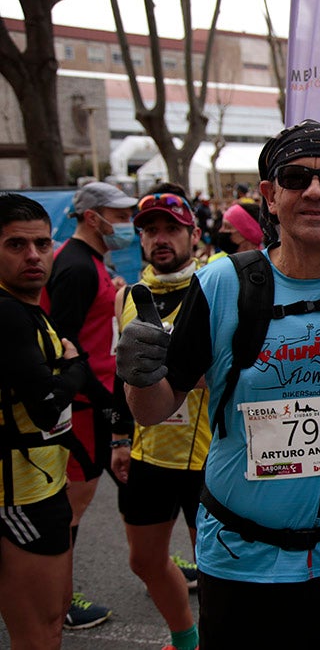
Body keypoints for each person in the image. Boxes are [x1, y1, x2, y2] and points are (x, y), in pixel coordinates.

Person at [116, 119, 320, 648]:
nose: (315, 191)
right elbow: (153, 409)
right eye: (295, 178)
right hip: (239, 560)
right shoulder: (222, 283)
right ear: (270, 196)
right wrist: (139, 373)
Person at [109, 186, 206, 650]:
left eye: (172, 228)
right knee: (144, 561)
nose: (160, 238)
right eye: (150, 230)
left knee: (217, 566)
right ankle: (184, 638)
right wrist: (118, 438)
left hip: (208, 455)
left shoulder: (215, 285)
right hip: (150, 452)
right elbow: (121, 373)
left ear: (194, 235)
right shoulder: (127, 295)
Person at [42, 180, 137, 629]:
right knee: (73, 507)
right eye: (119, 216)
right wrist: (102, 400)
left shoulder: (91, 262)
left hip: (95, 398)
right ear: (91, 217)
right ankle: (59, 602)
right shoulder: (77, 266)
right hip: (84, 405)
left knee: (124, 489)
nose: (127, 224)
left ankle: (153, 562)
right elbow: (63, 340)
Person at [0, 194, 92, 650]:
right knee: (39, 634)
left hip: (40, 485)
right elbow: (47, 405)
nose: (33, 255)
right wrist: (75, 366)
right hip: (20, 497)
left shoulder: (27, 309)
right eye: (16, 245)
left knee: (50, 624)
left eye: (41, 243)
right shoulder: (7, 313)